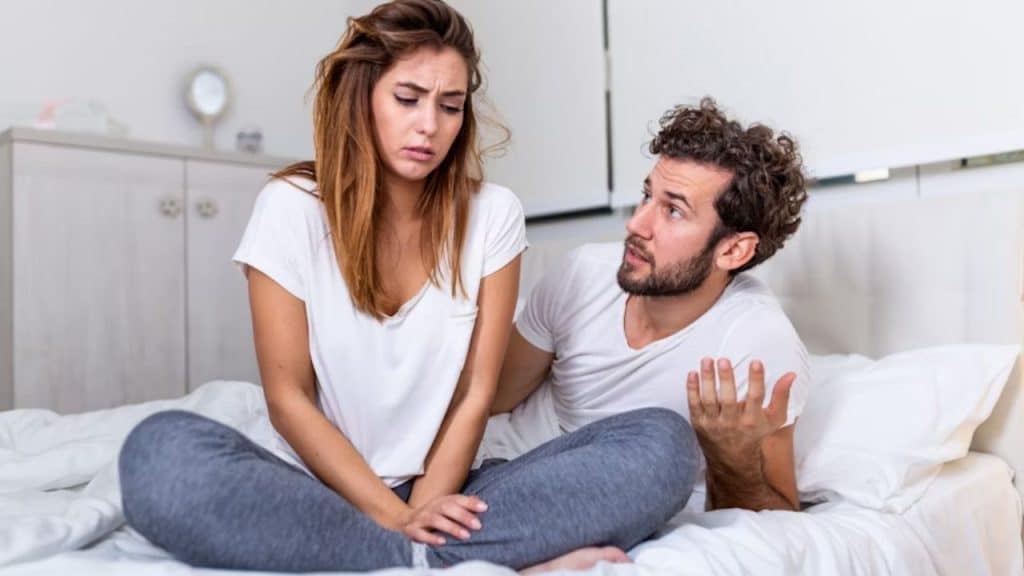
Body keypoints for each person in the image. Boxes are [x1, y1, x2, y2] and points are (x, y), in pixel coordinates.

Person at [119, 0, 530, 571]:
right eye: (407, 99)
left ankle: (393, 552)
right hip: (318, 489)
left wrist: (428, 508)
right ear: (362, 96)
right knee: (159, 453)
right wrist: (396, 519)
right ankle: (418, 555)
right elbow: (288, 400)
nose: (430, 126)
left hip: (449, 485)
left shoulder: (494, 213)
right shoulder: (290, 209)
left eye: (451, 106)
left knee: (654, 446)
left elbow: (475, 393)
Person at [488, 97, 811, 526]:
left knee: (663, 440)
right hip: (497, 474)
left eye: (673, 210)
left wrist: (729, 456)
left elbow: (780, 522)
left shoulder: (753, 343)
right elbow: (490, 398)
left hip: (610, 504)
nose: (637, 224)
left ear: (733, 249)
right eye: (646, 196)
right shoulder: (582, 273)